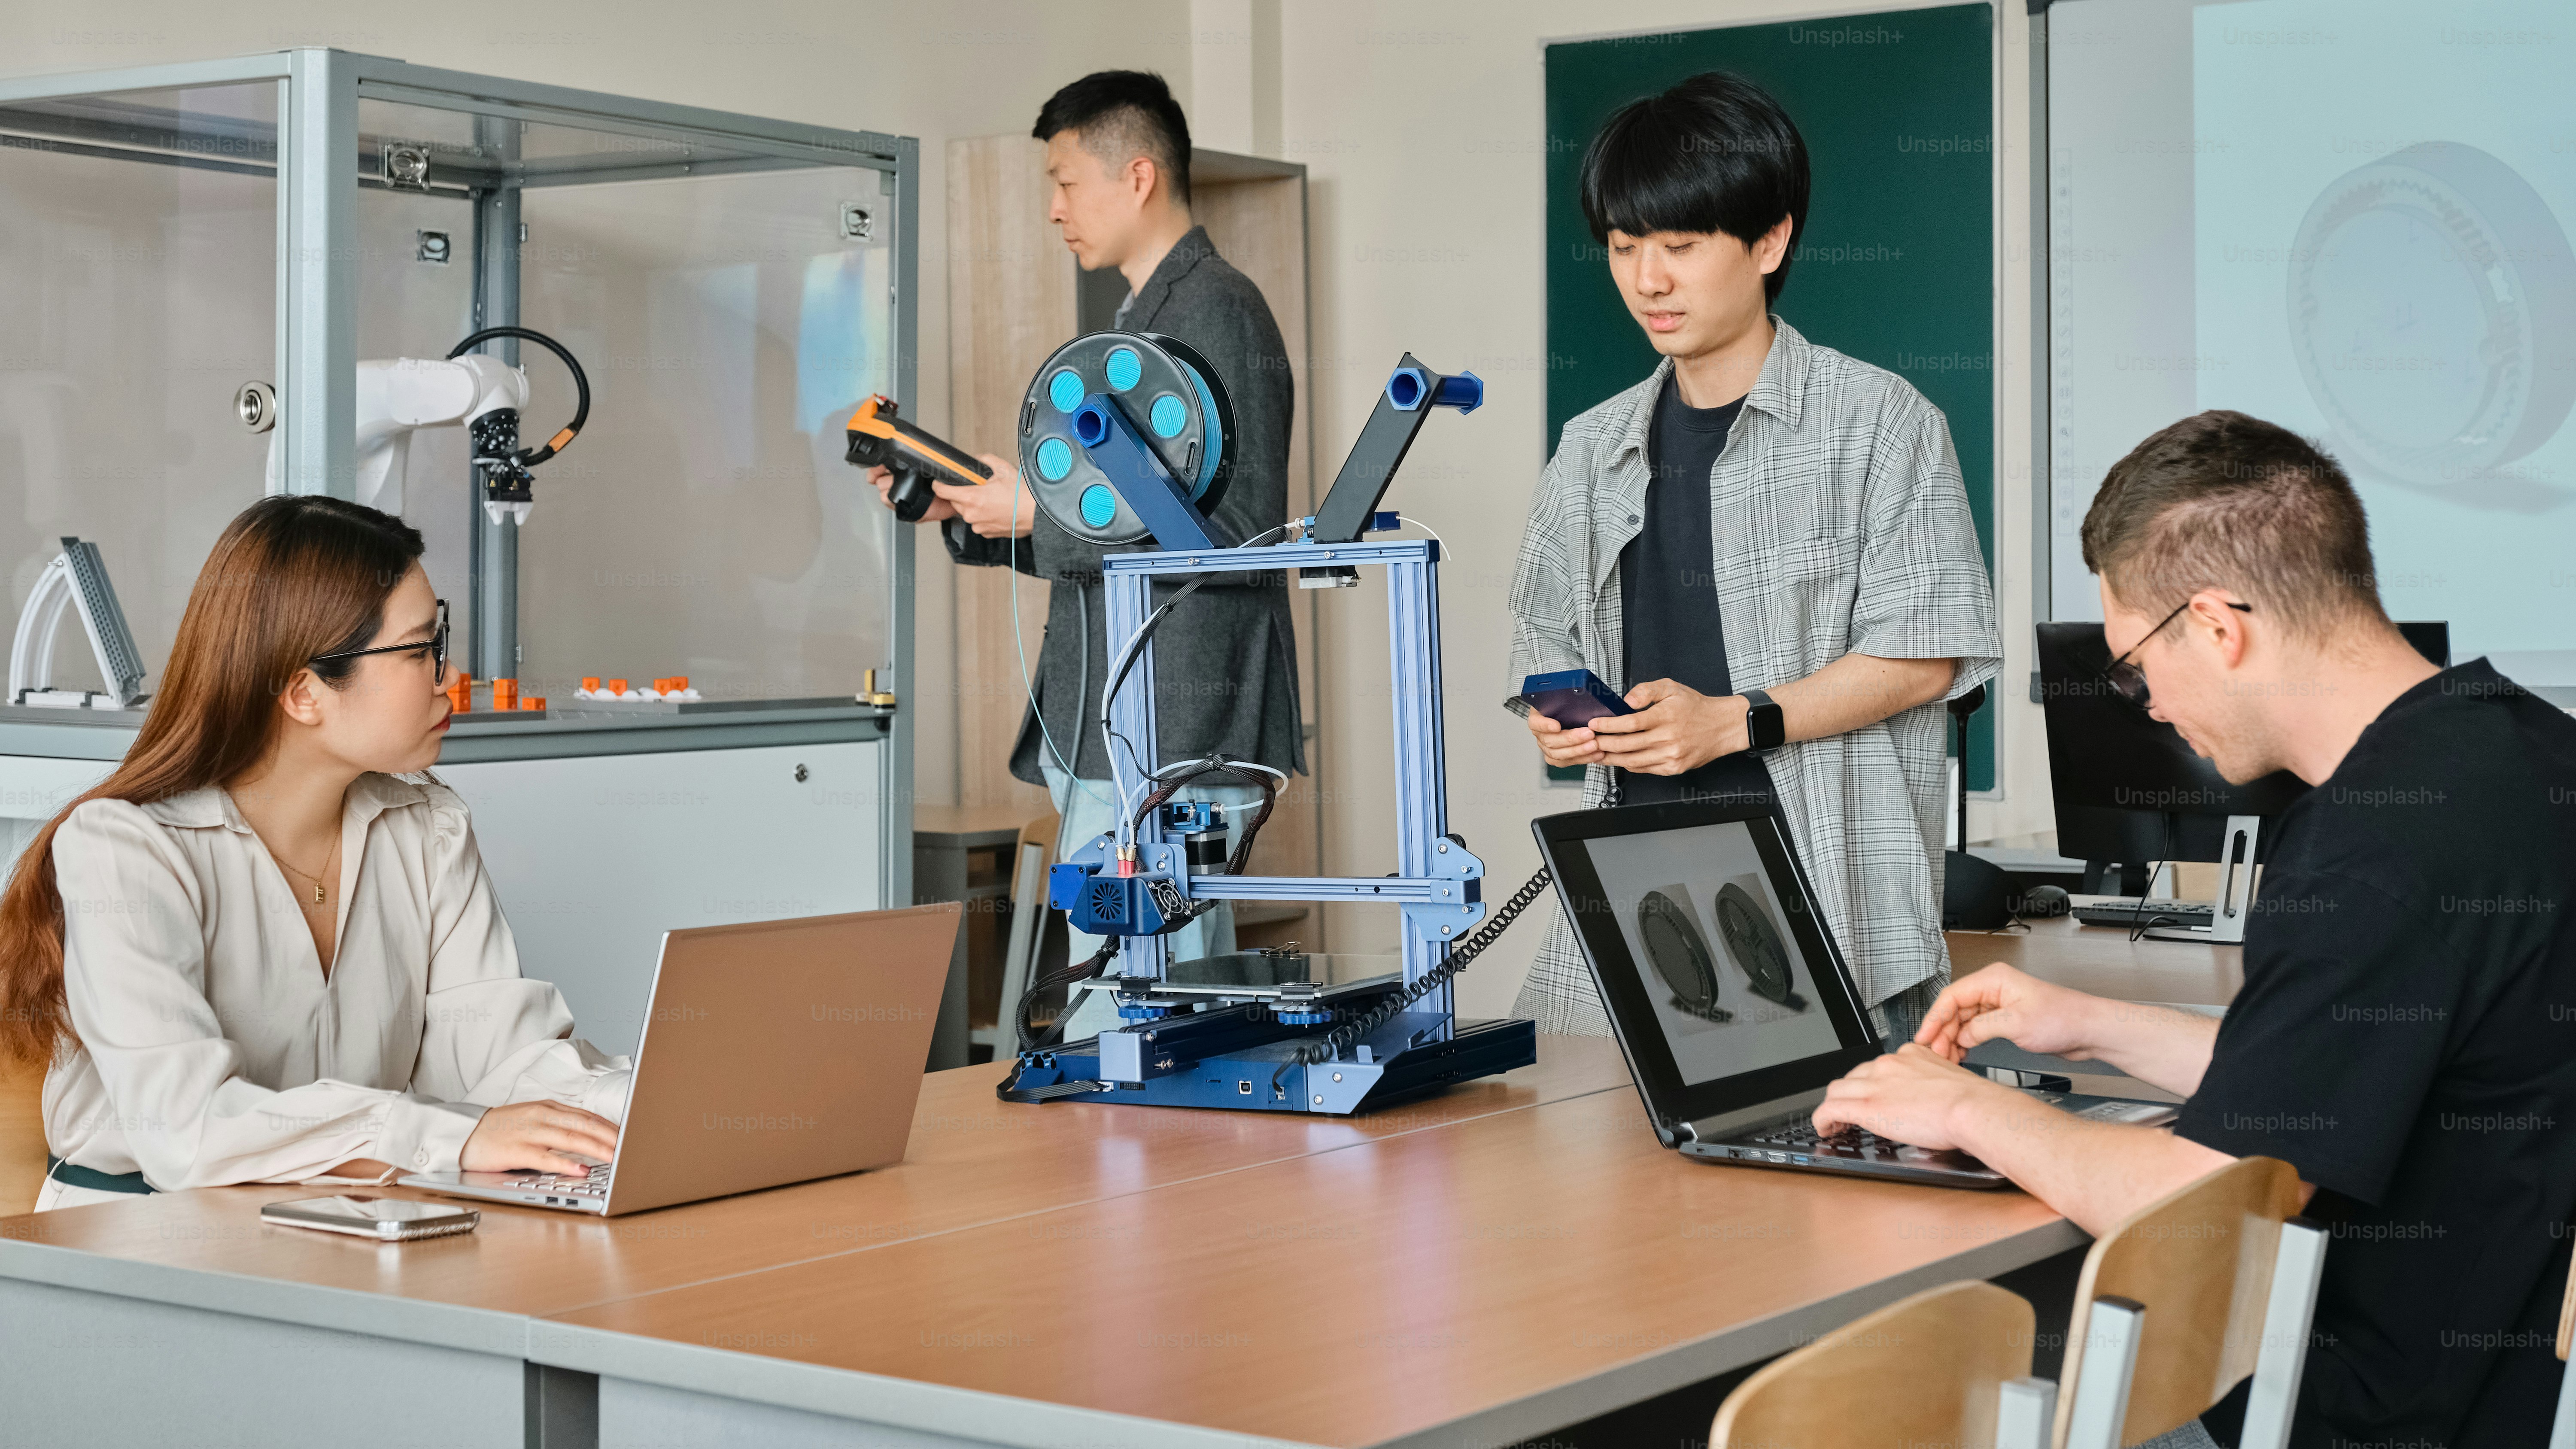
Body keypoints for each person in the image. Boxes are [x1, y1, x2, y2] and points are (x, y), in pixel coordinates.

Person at [1815, 410, 2576, 1446]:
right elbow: (2361, 1063)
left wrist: (1966, 1109)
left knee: (1903, 1380)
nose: (2150, 707)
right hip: (2497, 1378)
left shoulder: (2367, 852)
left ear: (2219, 626)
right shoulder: (2525, 751)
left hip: (2335, 1406)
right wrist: (2090, 1024)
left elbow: (2211, 1202)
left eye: (2134, 667)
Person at [1507, 71, 2000, 1042]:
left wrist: (1737, 723)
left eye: (1681, 246)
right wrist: (1557, 718)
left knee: (1825, 1185)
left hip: (1828, 901)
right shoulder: (1590, 444)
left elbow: (1928, 652)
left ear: (1769, 240)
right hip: (1634, 901)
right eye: (1623, 246)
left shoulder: (1881, 422)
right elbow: (1542, 639)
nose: (1648, 278)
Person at [0, 496, 628, 1211]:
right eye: (422, 650)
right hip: (142, 1238)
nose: (449, 678)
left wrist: (654, 1101)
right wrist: (445, 1136)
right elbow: (186, 1131)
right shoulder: (126, 848)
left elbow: (504, 1061)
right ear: (304, 692)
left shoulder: (430, 828)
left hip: (338, 1223)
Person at [870, 70, 1300, 1038]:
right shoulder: (1139, 322)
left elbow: (1238, 542)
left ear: (1136, 174)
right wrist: (982, 507)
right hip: (1121, 724)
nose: (1053, 208)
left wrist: (1039, 514)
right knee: (1125, 1012)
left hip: (1176, 725)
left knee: (1152, 1019)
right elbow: (1124, 534)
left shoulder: (1218, 311)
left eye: (1067, 181)